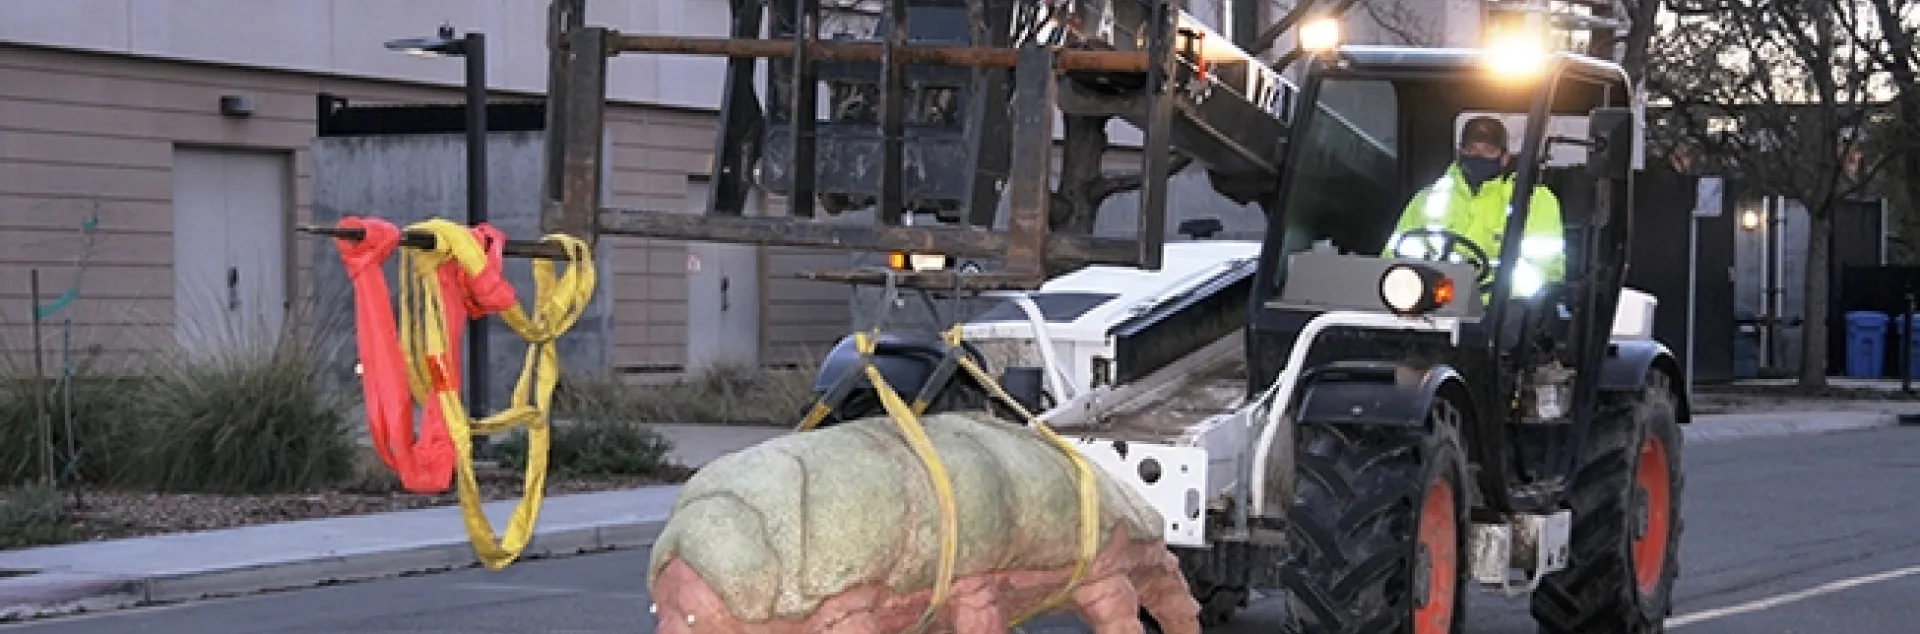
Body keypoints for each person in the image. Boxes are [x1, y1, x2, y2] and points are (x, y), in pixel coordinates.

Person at [1384, 116, 1566, 300]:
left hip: (1505, 311)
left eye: (1489, 150)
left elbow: (1546, 271)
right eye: (1471, 149)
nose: (1478, 157)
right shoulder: (1427, 198)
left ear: (1505, 158)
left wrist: (1485, 292)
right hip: (1434, 304)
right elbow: (1394, 256)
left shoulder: (1534, 200)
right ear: (1460, 153)